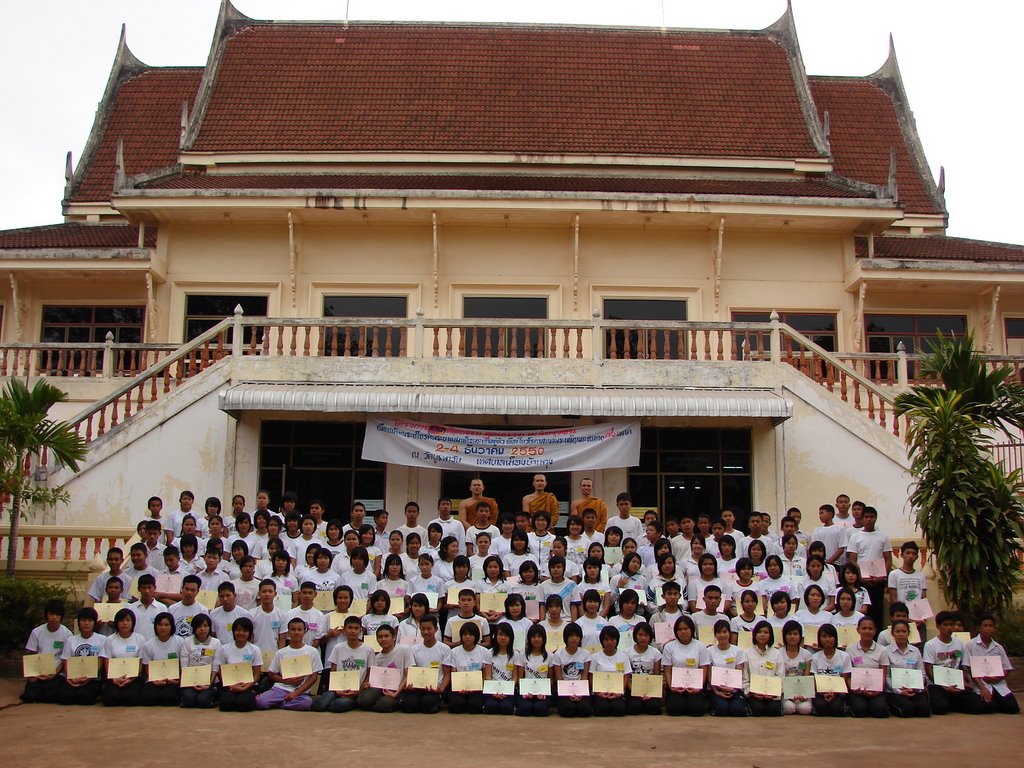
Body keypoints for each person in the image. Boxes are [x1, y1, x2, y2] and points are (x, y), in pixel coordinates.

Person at [256, 618, 322, 711]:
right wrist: (287, 681)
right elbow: (271, 674)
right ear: (288, 632)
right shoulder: (281, 652)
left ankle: (280, 703)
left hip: (300, 692)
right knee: (260, 702)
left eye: (299, 630)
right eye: (293, 629)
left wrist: (296, 693)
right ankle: (284, 702)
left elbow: (313, 677)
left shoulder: (312, 651)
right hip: (281, 688)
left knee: (306, 703)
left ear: (304, 632)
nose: (296, 632)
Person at [924, 610, 981, 715]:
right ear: (938, 626)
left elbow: (962, 665)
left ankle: (952, 703)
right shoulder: (930, 645)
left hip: (955, 681)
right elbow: (928, 669)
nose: (949, 628)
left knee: (976, 706)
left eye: (951, 624)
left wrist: (966, 681)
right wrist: (943, 685)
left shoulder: (959, 643)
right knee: (940, 708)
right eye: (945, 625)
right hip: (937, 683)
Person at [313, 615, 375, 713]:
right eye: (350, 628)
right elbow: (333, 670)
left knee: (338, 706)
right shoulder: (338, 648)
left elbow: (369, 672)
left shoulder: (368, 650)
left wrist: (360, 689)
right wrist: (336, 689)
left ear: (360, 631)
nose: (353, 631)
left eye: (356, 628)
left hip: (356, 690)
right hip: (338, 688)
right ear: (344, 631)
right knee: (318, 706)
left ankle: (348, 702)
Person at [963, 613, 1020, 714]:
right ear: (979, 628)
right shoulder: (970, 645)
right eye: (985, 626)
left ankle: (998, 702)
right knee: (987, 707)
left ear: (994, 628)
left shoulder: (998, 648)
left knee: (1013, 708)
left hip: (998, 684)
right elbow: (970, 669)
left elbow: (1007, 669)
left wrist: (998, 678)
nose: (988, 629)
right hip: (981, 684)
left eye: (991, 626)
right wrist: (982, 687)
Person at [21, 599, 73, 703]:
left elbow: (65, 659)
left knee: (50, 696)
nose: (54, 617)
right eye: (51, 614)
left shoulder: (67, 634)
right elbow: (32, 654)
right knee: (29, 696)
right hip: (38, 671)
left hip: (56, 673)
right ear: (46, 615)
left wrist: (54, 674)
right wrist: (32, 674)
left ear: (61, 617)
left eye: (57, 615)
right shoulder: (37, 632)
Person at [401, 615, 451, 714]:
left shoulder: (445, 649)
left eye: (429, 629)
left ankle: (437, 701)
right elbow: (410, 671)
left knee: (427, 706)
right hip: (417, 687)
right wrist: (409, 684)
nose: (426, 632)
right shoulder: (414, 649)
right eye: (423, 629)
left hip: (434, 688)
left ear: (436, 629)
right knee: (408, 707)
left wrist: (440, 690)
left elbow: (447, 675)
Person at [662, 615, 708, 717]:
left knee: (697, 710)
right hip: (676, 687)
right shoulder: (669, 647)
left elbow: (704, 668)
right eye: (680, 629)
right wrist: (672, 687)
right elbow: (667, 670)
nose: (683, 632)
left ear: (691, 629)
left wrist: (699, 687)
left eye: (686, 629)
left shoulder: (700, 646)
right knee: (675, 709)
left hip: (695, 687)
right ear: (676, 631)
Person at [213, 616, 262, 712]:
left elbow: (256, 675)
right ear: (233, 632)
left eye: (245, 631)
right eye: (238, 630)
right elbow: (221, 672)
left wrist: (245, 687)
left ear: (249, 633)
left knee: (244, 704)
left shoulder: (255, 649)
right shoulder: (225, 649)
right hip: (229, 685)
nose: (241, 633)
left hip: (248, 685)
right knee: (226, 705)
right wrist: (231, 686)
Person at [358, 624, 410, 712]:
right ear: (377, 640)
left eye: (386, 636)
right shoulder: (377, 658)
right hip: (381, 689)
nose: (383, 639)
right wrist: (369, 684)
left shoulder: (404, 650)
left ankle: (398, 701)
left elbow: (407, 674)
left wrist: (395, 694)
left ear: (394, 637)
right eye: (380, 637)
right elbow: (375, 678)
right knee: (363, 700)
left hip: (399, 690)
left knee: (383, 704)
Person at [57, 607, 103, 706]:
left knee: (84, 697)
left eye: (90, 621)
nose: (86, 623)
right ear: (79, 622)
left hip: (92, 679)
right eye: (83, 620)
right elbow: (66, 661)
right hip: (74, 677)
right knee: (64, 697)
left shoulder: (102, 640)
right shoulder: (71, 640)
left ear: (95, 623)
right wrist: (72, 678)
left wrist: (88, 678)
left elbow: (100, 662)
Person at [885, 619, 930, 717]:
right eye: (898, 631)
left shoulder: (915, 651)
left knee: (924, 711)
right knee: (907, 710)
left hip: (913, 689)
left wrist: (915, 687)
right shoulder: (886, 651)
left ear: (908, 633)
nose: (901, 634)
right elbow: (887, 676)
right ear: (892, 634)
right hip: (895, 691)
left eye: (904, 631)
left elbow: (921, 671)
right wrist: (899, 691)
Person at [100, 608, 145, 706]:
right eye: (121, 620)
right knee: (109, 699)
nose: (124, 623)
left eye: (128, 620)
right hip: (114, 677)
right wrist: (114, 679)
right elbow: (107, 662)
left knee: (130, 699)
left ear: (133, 622)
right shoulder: (110, 640)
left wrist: (131, 678)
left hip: (133, 678)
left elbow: (140, 664)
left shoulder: (140, 639)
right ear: (116, 623)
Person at [847, 615, 890, 718]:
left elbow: (883, 673)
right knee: (859, 711)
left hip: (876, 690)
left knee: (880, 711)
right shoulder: (850, 649)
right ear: (858, 630)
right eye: (864, 628)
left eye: (870, 629)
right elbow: (847, 675)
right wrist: (853, 688)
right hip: (857, 690)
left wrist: (877, 690)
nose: (867, 631)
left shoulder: (882, 650)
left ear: (875, 631)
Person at [447, 622, 491, 714]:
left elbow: (487, 675)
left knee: (475, 707)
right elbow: (453, 673)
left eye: (471, 634)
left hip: (477, 688)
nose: (467, 637)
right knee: (456, 706)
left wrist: (478, 687)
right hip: (459, 688)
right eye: (465, 634)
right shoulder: (454, 652)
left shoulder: (484, 652)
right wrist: (459, 687)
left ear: (476, 636)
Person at [707, 618, 747, 716]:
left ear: (729, 633)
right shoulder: (709, 651)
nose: (722, 635)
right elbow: (709, 674)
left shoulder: (738, 651)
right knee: (722, 709)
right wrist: (716, 691)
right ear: (715, 634)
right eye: (719, 632)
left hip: (734, 690)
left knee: (737, 710)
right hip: (716, 690)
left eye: (724, 632)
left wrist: (733, 689)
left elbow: (739, 672)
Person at [140, 612, 181, 707]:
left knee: (169, 698)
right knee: (148, 698)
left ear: (172, 626)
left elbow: (182, 664)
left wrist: (177, 680)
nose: (163, 628)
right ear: (155, 626)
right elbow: (146, 666)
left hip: (173, 680)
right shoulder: (148, 645)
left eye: (166, 625)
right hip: (154, 680)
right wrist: (153, 680)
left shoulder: (179, 642)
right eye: (160, 625)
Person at [179, 614, 221, 708]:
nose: (202, 629)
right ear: (194, 628)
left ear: (209, 627)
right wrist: (191, 682)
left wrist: (209, 684)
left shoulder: (216, 643)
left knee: (203, 701)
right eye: (199, 626)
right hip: (191, 681)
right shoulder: (187, 641)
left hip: (209, 681)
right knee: (189, 700)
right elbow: (184, 664)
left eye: (205, 626)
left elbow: (216, 666)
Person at [809, 625, 850, 717]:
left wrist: (834, 694)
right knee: (821, 709)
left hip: (838, 692)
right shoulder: (815, 657)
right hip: (820, 692)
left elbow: (844, 679)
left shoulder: (844, 656)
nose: (827, 639)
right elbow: (814, 680)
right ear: (819, 639)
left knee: (836, 709)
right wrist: (823, 693)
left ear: (835, 638)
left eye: (830, 636)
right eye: (824, 636)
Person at [745, 620, 783, 716]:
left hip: (772, 694)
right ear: (754, 634)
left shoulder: (776, 654)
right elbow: (744, 677)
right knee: (758, 709)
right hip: (754, 694)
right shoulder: (747, 653)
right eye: (759, 632)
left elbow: (780, 676)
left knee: (773, 710)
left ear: (770, 635)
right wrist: (751, 692)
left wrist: (774, 693)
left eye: (766, 632)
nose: (762, 635)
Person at [624, 622, 662, 715]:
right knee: (635, 708)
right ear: (635, 635)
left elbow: (656, 676)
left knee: (653, 708)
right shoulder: (626, 653)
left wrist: (650, 693)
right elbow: (627, 677)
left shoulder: (656, 653)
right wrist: (636, 691)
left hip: (651, 689)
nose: (643, 638)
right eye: (640, 635)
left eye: (646, 635)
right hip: (633, 688)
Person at [516, 624, 552, 717]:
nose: (536, 639)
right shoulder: (522, 654)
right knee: (525, 709)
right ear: (529, 639)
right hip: (527, 692)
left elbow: (551, 678)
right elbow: (520, 677)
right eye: (533, 636)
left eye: (539, 636)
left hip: (543, 692)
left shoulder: (550, 655)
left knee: (540, 709)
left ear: (544, 638)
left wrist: (544, 693)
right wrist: (526, 692)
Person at [168, 575, 210, 639]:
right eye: (187, 589)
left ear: (198, 591)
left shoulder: (203, 610)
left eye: (193, 590)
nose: (189, 593)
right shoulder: (172, 609)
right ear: (182, 589)